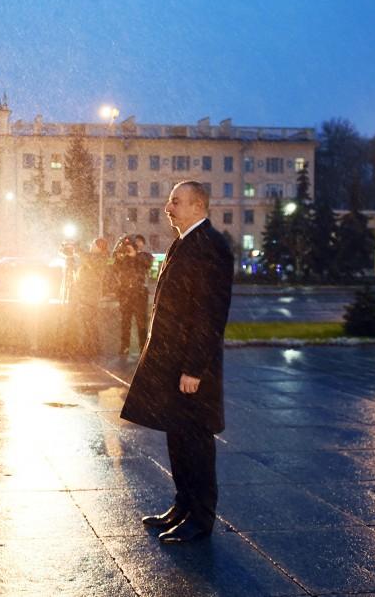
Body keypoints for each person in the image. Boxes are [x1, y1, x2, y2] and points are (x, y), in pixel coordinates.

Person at [120, 180, 234, 544]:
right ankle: (183, 505)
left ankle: (200, 518)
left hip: (191, 368)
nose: (168, 208)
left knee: (196, 442)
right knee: (178, 437)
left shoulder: (210, 246)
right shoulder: (184, 242)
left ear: (198, 205)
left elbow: (209, 314)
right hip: (173, 362)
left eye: (176, 202)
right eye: (170, 202)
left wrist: (193, 369)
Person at [112, 234, 153, 355]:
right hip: (125, 294)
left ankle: (143, 348)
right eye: (137, 242)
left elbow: (148, 263)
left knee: (142, 323)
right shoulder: (124, 257)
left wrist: (135, 255)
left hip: (140, 294)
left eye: (140, 242)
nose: (138, 244)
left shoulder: (145, 256)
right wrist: (119, 253)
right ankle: (124, 347)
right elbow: (113, 266)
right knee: (125, 322)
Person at [70, 237, 109, 356]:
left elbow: (88, 259)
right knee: (87, 322)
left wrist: (77, 250)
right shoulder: (93, 257)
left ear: (99, 247)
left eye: (93, 244)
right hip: (84, 294)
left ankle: (92, 348)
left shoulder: (101, 258)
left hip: (90, 296)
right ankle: (89, 347)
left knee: (89, 323)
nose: (91, 245)